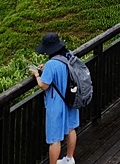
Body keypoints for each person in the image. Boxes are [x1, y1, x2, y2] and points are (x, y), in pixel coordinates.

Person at [29, 32, 79, 164]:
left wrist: (36, 74)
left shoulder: (51, 64)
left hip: (56, 104)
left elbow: (44, 85)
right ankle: (69, 158)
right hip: (70, 98)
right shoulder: (68, 56)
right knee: (71, 129)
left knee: (54, 139)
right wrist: (45, 68)